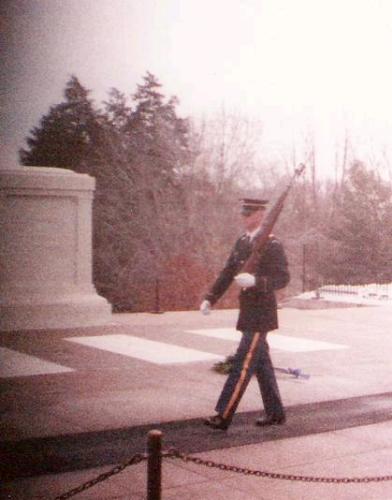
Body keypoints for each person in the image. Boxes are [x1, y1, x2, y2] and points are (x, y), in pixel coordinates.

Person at [200, 198, 290, 431]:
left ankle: (224, 414)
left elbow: (282, 279)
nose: (244, 217)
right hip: (248, 312)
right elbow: (228, 272)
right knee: (261, 363)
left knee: (243, 363)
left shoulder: (271, 244)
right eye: (243, 213)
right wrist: (210, 297)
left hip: (261, 315)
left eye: (249, 213)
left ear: (261, 215)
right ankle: (275, 413)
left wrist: (256, 281)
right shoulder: (242, 242)